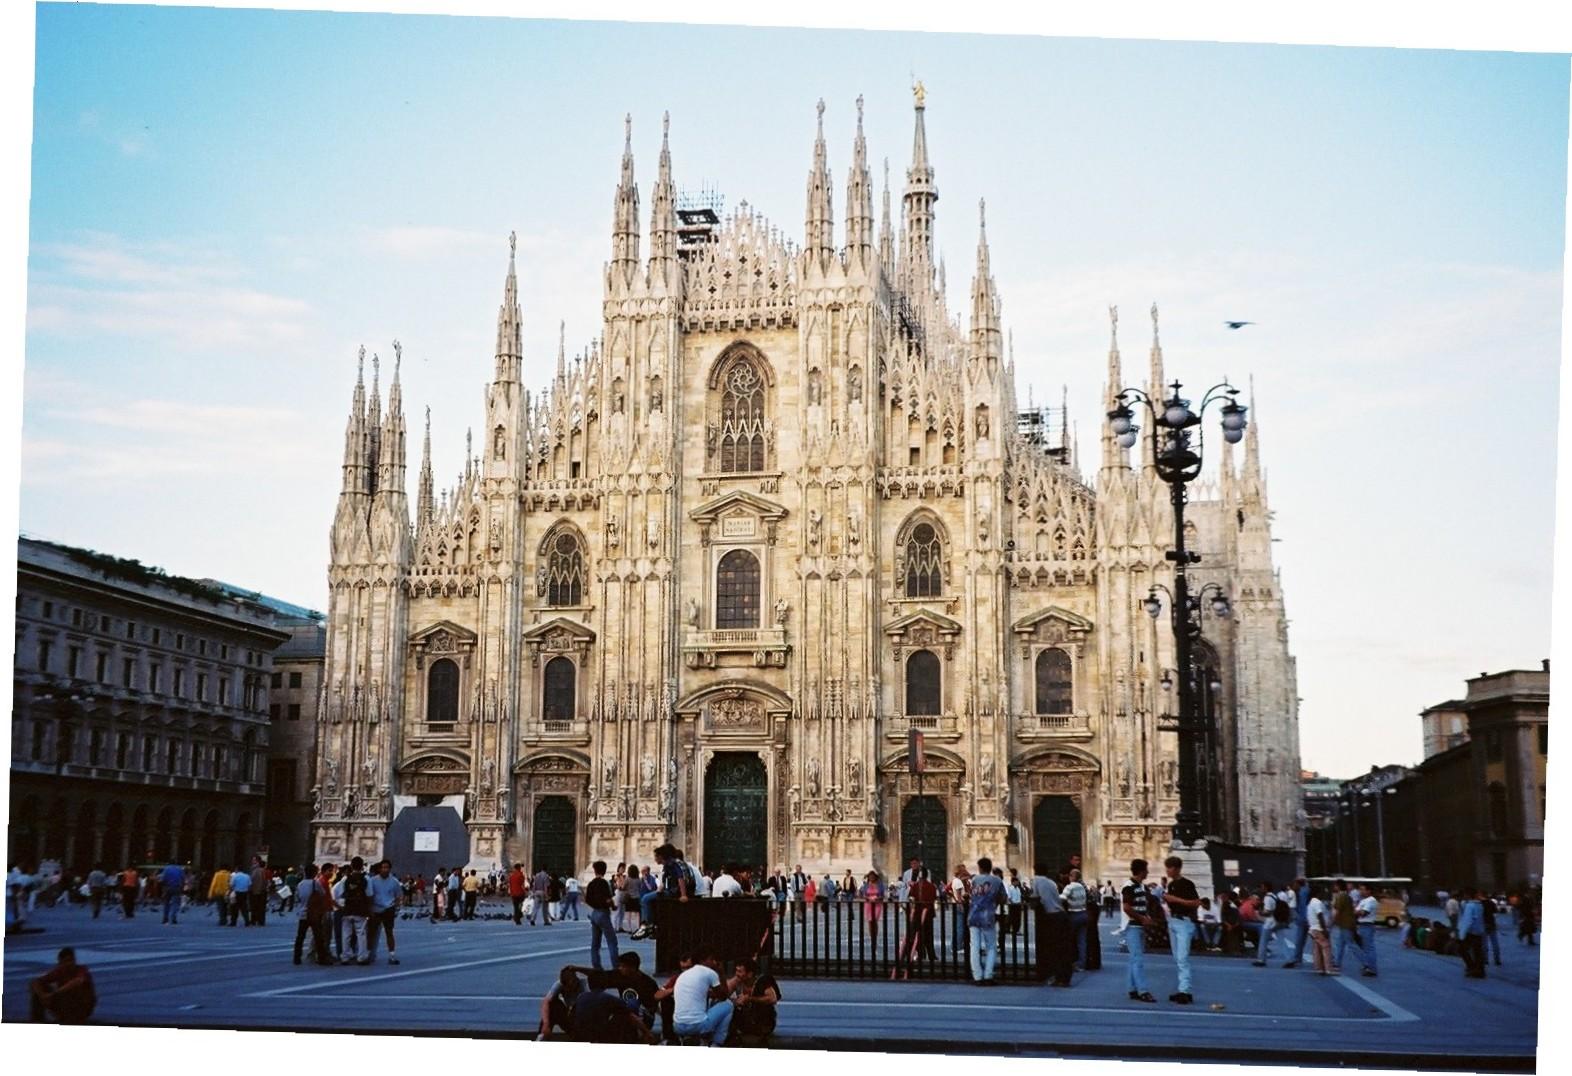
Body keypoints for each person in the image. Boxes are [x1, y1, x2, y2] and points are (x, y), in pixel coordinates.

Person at [670, 950, 734, 1046]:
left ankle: (689, 1038)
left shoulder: (683, 975)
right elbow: (723, 996)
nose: (714, 962)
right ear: (703, 960)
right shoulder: (709, 972)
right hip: (697, 1026)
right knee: (728, 1005)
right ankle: (716, 1043)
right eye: (711, 959)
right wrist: (721, 972)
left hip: (677, 1026)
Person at [1161, 856, 1200, 1004]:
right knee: (1177, 958)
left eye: (1169, 868)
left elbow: (1196, 903)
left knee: (1182, 958)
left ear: (1177, 868)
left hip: (1184, 922)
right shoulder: (1171, 885)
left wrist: (1174, 899)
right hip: (1173, 921)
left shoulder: (1187, 884)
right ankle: (1182, 988)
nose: (1167, 871)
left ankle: (1185, 990)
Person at [1122, 860, 1158, 1002]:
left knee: (1134, 959)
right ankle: (1143, 990)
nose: (1148, 872)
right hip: (1132, 926)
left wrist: (1145, 918)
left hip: (1138, 925)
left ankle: (1132, 988)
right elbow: (1126, 907)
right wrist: (1142, 918)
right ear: (1141, 871)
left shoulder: (1140, 886)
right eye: (1146, 870)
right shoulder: (1129, 886)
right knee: (1137, 959)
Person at [29, 948, 96, 1024]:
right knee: (40, 987)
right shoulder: (59, 971)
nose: (69, 963)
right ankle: (38, 1021)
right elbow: (35, 982)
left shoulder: (82, 969)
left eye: (71, 960)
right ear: (60, 962)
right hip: (64, 1004)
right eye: (65, 961)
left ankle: (71, 1018)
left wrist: (54, 994)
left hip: (81, 1006)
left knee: (68, 992)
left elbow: (77, 981)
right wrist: (43, 995)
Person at [1031, 864, 1071, 986]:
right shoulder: (1051, 882)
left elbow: (1035, 899)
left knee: (1052, 948)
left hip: (1051, 916)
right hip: (1061, 914)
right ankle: (1064, 977)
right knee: (1062, 948)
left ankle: (1054, 975)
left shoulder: (1036, 880)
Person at [967, 856, 1005, 985]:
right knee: (991, 947)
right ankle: (988, 975)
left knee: (974, 947)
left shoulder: (974, 880)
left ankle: (977, 976)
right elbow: (1003, 897)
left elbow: (970, 895)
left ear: (980, 868)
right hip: (988, 915)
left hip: (973, 915)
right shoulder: (997, 880)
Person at [895, 867, 938, 979]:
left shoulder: (916, 886)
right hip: (926, 913)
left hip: (918, 913)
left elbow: (911, 898)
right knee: (928, 934)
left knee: (916, 934)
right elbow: (933, 898)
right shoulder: (931, 886)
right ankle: (930, 954)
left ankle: (921, 953)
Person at [729, 957, 782, 1043]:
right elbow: (723, 993)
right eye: (736, 971)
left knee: (764, 1007)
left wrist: (749, 999)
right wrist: (734, 1001)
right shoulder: (737, 980)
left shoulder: (761, 982)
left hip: (761, 1021)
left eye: (740, 971)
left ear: (749, 974)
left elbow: (772, 999)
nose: (737, 974)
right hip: (745, 1019)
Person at [366, 859, 402, 965]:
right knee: (371, 934)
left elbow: (398, 896)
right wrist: (370, 909)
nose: (385, 869)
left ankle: (392, 956)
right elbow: (370, 896)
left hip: (388, 909)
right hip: (376, 909)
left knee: (389, 932)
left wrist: (395, 907)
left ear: (390, 869)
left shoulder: (394, 881)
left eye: (387, 867)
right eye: (383, 867)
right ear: (379, 869)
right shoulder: (373, 880)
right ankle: (368, 954)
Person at [585, 860, 619, 970]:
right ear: (604, 870)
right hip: (603, 913)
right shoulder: (604, 883)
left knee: (595, 943)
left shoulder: (591, 883)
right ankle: (616, 967)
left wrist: (595, 905)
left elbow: (587, 899)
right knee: (612, 941)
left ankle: (597, 967)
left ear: (594, 870)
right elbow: (608, 899)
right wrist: (613, 906)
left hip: (594, 913)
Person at [339, 856, 373, 964]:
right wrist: (369, 909)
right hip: (360, 909)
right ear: (362, 866)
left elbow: (341, 894)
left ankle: (345, 956)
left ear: (351, 866)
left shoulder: (345, 879)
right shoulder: (366, 879)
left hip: (347, 909)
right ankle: (361, 957)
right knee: (361, 933)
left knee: (346, 934)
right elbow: (369, 895)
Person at [538, 966, 586, 1039]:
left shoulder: (585, 985)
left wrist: (578, 968)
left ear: (576, 980)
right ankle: (542, 1035)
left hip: (583, 1016)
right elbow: (546, 1002)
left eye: (570, 987)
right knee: (553, 1004)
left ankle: (579, 1036)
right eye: (566, 987)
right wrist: (546, 1023)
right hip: (571, 1015)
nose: (568, 990)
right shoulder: (560, 984)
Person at [1457, 887, 1487, 979]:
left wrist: (1462, 934)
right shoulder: (1479, 905)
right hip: (1479, 931)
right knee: (1478, 952)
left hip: (1471, 932)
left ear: (1468, 895)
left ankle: (1471, 967)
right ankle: (1480, 970)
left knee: (1462, 949)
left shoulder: (1470, 906)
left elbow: (1468, 921)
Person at [1353, 882, 1380, 977]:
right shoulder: (1363, 901)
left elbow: (1363, 913)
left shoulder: (1371, 900)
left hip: (1367, 925)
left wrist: (1357, 912)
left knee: (1369, 948)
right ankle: (1367, 965)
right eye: (1360, 889)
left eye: (1363, 889)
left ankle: (1372, 968)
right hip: (1361, 925)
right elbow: (1356, 911)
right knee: (1364, 947)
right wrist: (1357, 911)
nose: (1361, 891)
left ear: (1369, 890)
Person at [1283, 876, 1312, 968]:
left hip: (1304, 919)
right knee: (1303, 939)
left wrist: (1302, 918)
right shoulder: (1304, 891)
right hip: (1306, 918)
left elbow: (1303, 907)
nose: (1293, 886)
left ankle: (1297, 958)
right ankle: (1297, 958)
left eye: (1294, 884)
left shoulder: (1302, 892)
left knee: (1300, 939)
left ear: (1298, 884)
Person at [1063, 869, 1089, 967]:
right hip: (1084, 914)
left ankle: (1069, 961)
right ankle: (1082, 962)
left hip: (1074, 914)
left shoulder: (1070, 887)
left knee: (1069, 939)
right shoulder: (1082, 887)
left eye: (1070, 875)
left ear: (1072, 877)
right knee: (1082, 940)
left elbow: (1062, 898)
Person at [1306, 884, 1333, 974]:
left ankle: (1319, 968)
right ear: (1318, 893)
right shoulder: (1317, 902)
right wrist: (1324, 929)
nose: (1323, 895)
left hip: (1313, 928)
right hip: (1319, 928)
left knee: (1317, 949)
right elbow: (1320, 915)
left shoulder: (1310, 903)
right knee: (1326, 948)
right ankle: (1328, 968)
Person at [1482, 890, 1502, 966]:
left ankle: (1485, 959)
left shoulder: (1480, 904)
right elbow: (1495, 913)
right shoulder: (1491, 903)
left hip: (1483, 924)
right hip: (1491, 924)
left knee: (1484, 943)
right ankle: (1497, 959)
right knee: (1495, 942)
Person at [249, 857, 270, 927]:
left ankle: (254, 920)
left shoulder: (255, 870)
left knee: (254, 906)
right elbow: (266, 881)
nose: (252, 861)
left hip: (255, 891)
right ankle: (260, 920)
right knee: (261, 907)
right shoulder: (264, 870)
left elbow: (252, 880)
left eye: (254, 860)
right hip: (262, 891)